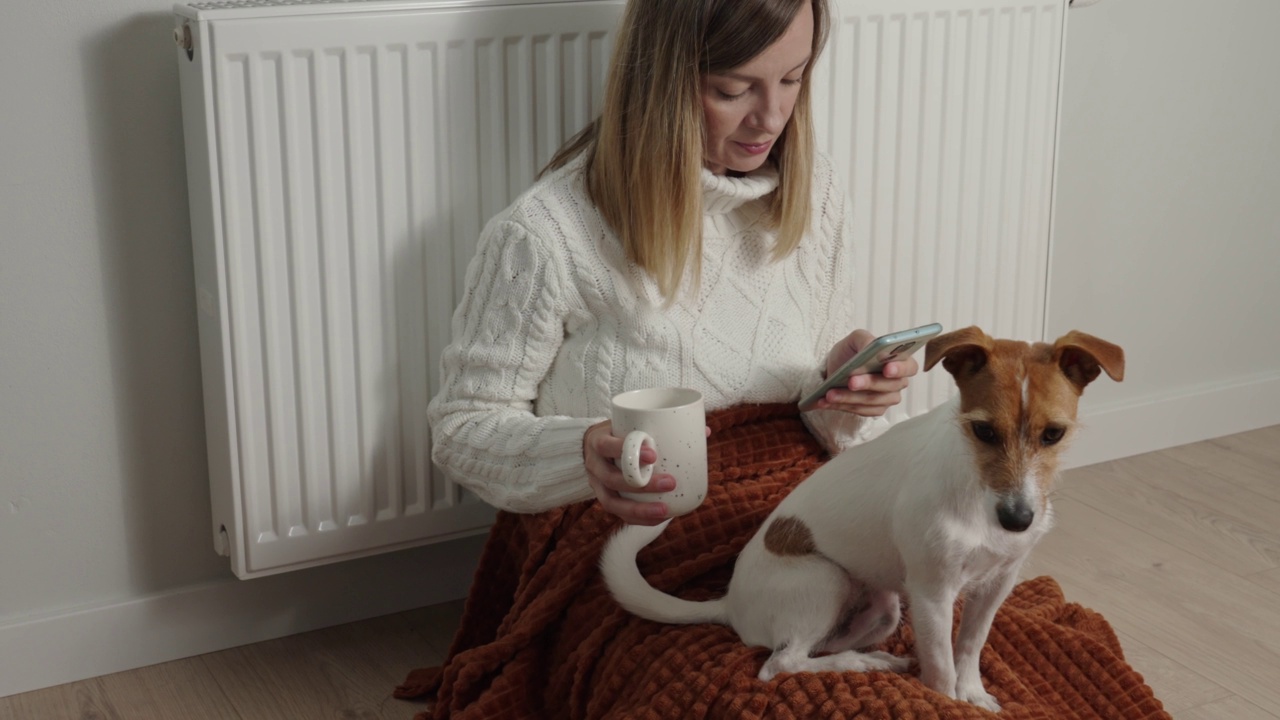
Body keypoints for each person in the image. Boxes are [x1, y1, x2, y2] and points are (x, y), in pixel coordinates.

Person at [427, 0, 919, 527]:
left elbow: (831, 431)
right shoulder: (546, 233)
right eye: (732, 90)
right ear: (664, 81)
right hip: (637, 525)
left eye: (793, 79)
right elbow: (464, 430)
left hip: (794, 503)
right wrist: (584, 453)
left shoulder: (814, 191)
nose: (772, 117)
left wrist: (846, 394)